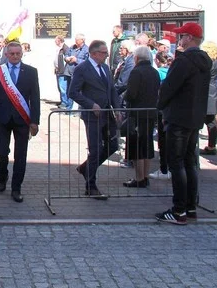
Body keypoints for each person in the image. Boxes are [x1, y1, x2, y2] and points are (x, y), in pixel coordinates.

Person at [155, 22, 211, 225]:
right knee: (189, 163)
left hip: (179, 117)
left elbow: (169, 87)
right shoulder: (204, 60)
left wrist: (161, 106)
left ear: (189, 38)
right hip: (194, 117)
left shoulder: (184, 60)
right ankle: (189, 207)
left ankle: (179, 210)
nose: (179, 39)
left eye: (182, 36)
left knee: (177, 163)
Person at [0, 41, 40, 202]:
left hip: (22, 119)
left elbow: (35, 98)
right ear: (6, 55)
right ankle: (3, 177)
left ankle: (16, 188)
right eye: (12, 54)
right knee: (1, 152)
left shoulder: (31, 72)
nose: (15, 56)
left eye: (18, 53)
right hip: (2, 119)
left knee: (20, 155)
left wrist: (35, 121)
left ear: (21, 54)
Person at [68, 39, 121, 200]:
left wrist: (117, 108)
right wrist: (90, 104)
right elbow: (73, 92)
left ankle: (86, 168)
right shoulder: (82, 69)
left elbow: (112, 90)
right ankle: (91, 186)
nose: (107, 55)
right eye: (104, 53)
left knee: (112, 145)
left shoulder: (105, 68)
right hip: (92, 116)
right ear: (94, 53)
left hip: (107, 114)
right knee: (95, 149)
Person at [122, 46, 160, 188]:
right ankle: (145, 176)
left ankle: (139, 178)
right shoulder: (154, 72)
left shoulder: (136, 72)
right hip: (150, 113)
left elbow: (131, 94)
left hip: (137, 114)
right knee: (147, 145)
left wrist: (124, 97)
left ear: (136, 58)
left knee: (137, 147)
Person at [148, 52, 172, 181]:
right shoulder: (171, 72)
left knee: (163, 141)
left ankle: (164, 169)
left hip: (163, 109)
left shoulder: (158, 73)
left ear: (157, 60)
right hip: (169, 110)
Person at [200, 41, 217, 157]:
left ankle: (212, 146)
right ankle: (212, 144)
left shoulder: (208, 61)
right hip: (213, 90)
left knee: (209, 121)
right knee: (211, 119)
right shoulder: (216, 61)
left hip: (208, 91)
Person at [54, 35, 73, 110]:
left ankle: (65, 103)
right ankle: (63, 101)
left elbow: (67, 60)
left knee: (63, 88)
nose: (55, 42)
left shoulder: (65, 48)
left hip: (63, 72)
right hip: (58, 71)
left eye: (56, 40)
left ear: (59, 40)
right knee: (60, 87)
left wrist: (64, 70)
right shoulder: (59, 49)